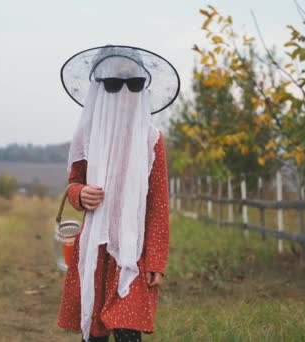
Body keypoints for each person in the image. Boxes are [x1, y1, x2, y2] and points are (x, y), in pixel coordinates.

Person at [57, 45, 180, 342]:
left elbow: (158, 204)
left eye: (134, 83)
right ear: (99, 88)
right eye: (114, 83)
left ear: (143, 89)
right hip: (94, 250)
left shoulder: (151, 140)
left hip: (132, 251)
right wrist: (80, 193)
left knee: (128, 331)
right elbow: (74, 183)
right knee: (94, 332)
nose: (124, 91)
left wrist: (155, 260)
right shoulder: (87, 136)